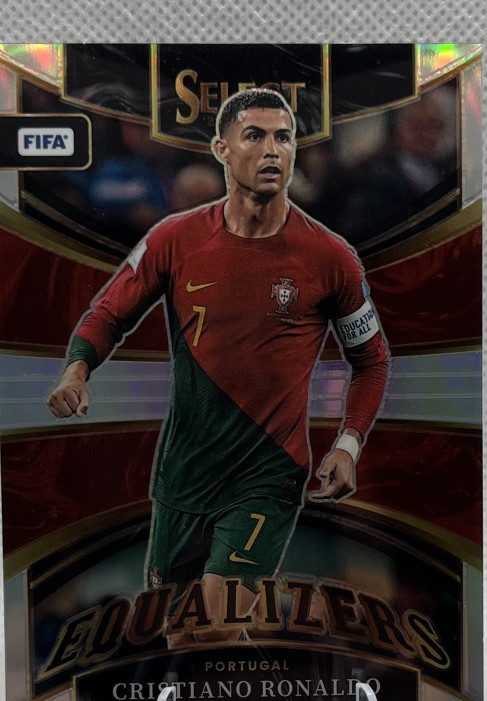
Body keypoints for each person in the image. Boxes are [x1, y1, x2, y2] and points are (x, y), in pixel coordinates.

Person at [47, 88, 389, 647]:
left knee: (211, 627)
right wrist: (76, 369)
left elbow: (371, 360)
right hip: (183, 476)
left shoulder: (330, 258)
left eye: (284, 137)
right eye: (255, 135)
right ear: (221, 150)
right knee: (180, 638)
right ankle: (262, 680)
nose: (272, 149)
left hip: (268, 475)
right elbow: (109, 311)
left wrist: (347, 446)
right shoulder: (173, 239)